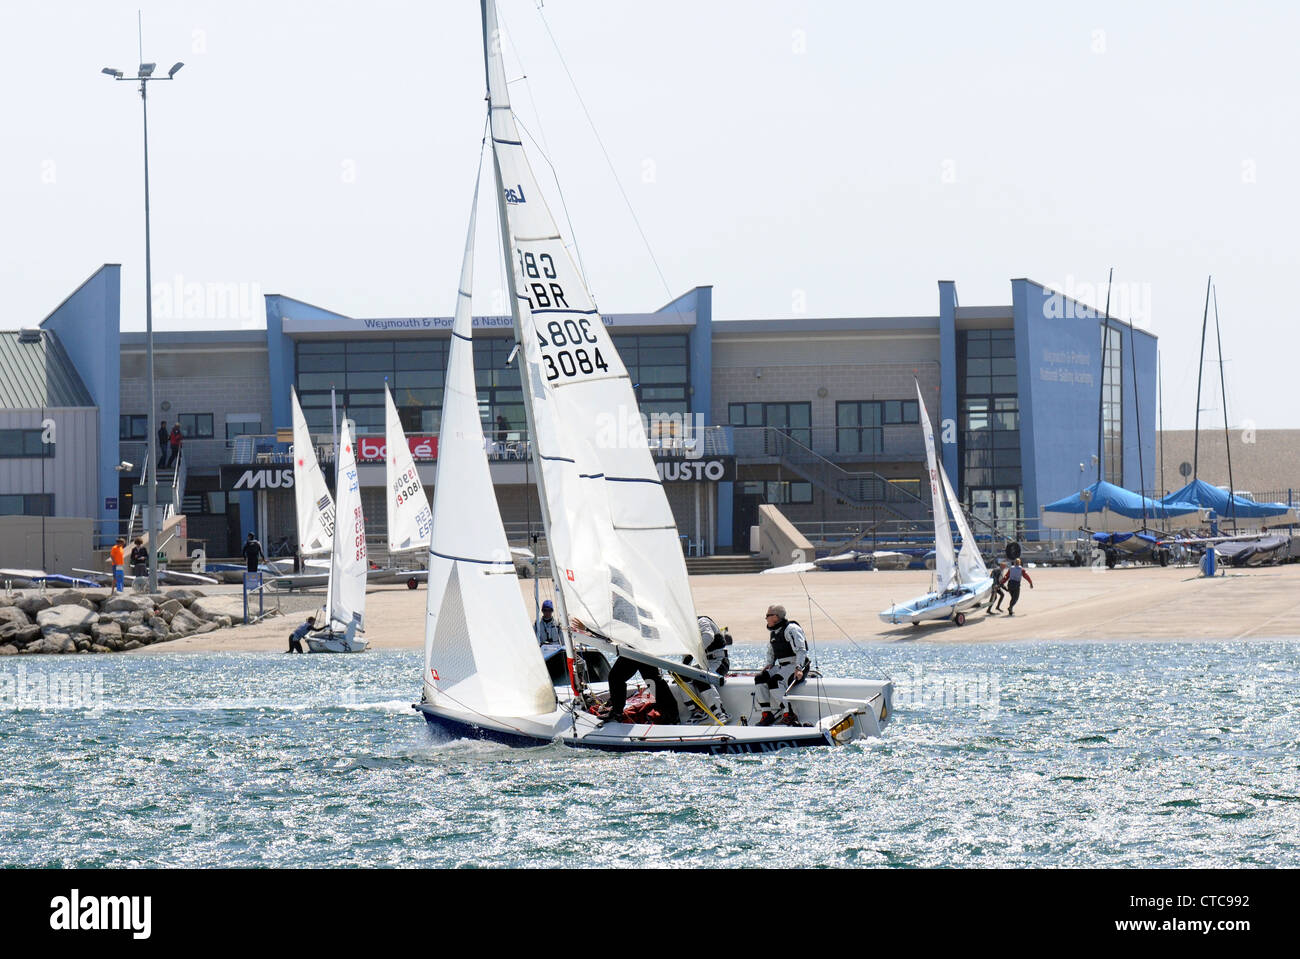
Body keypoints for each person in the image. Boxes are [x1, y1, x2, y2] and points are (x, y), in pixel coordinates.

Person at [754, 604, 809, 726]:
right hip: (783, 666)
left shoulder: (792, 629)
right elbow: (772, 651)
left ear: (776, 617)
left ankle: (789, 714)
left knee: (775, 681)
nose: (766, 618)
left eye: (768, 615)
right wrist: (769, 664)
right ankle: (766, 714)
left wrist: (799, 668)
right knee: (760, 678)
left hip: (797, 665)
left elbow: (801, 650)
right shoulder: (774, 632)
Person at [678, 615, 731, 724]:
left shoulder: (702, 621)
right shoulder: (687, 631)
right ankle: (697, 711)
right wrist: (683, 668)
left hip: (720, 662)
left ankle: (721, 713)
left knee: (702, 677)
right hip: (706, 664)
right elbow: (688, 655)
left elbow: (708, 637)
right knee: (681, 676)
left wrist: (692, 651)